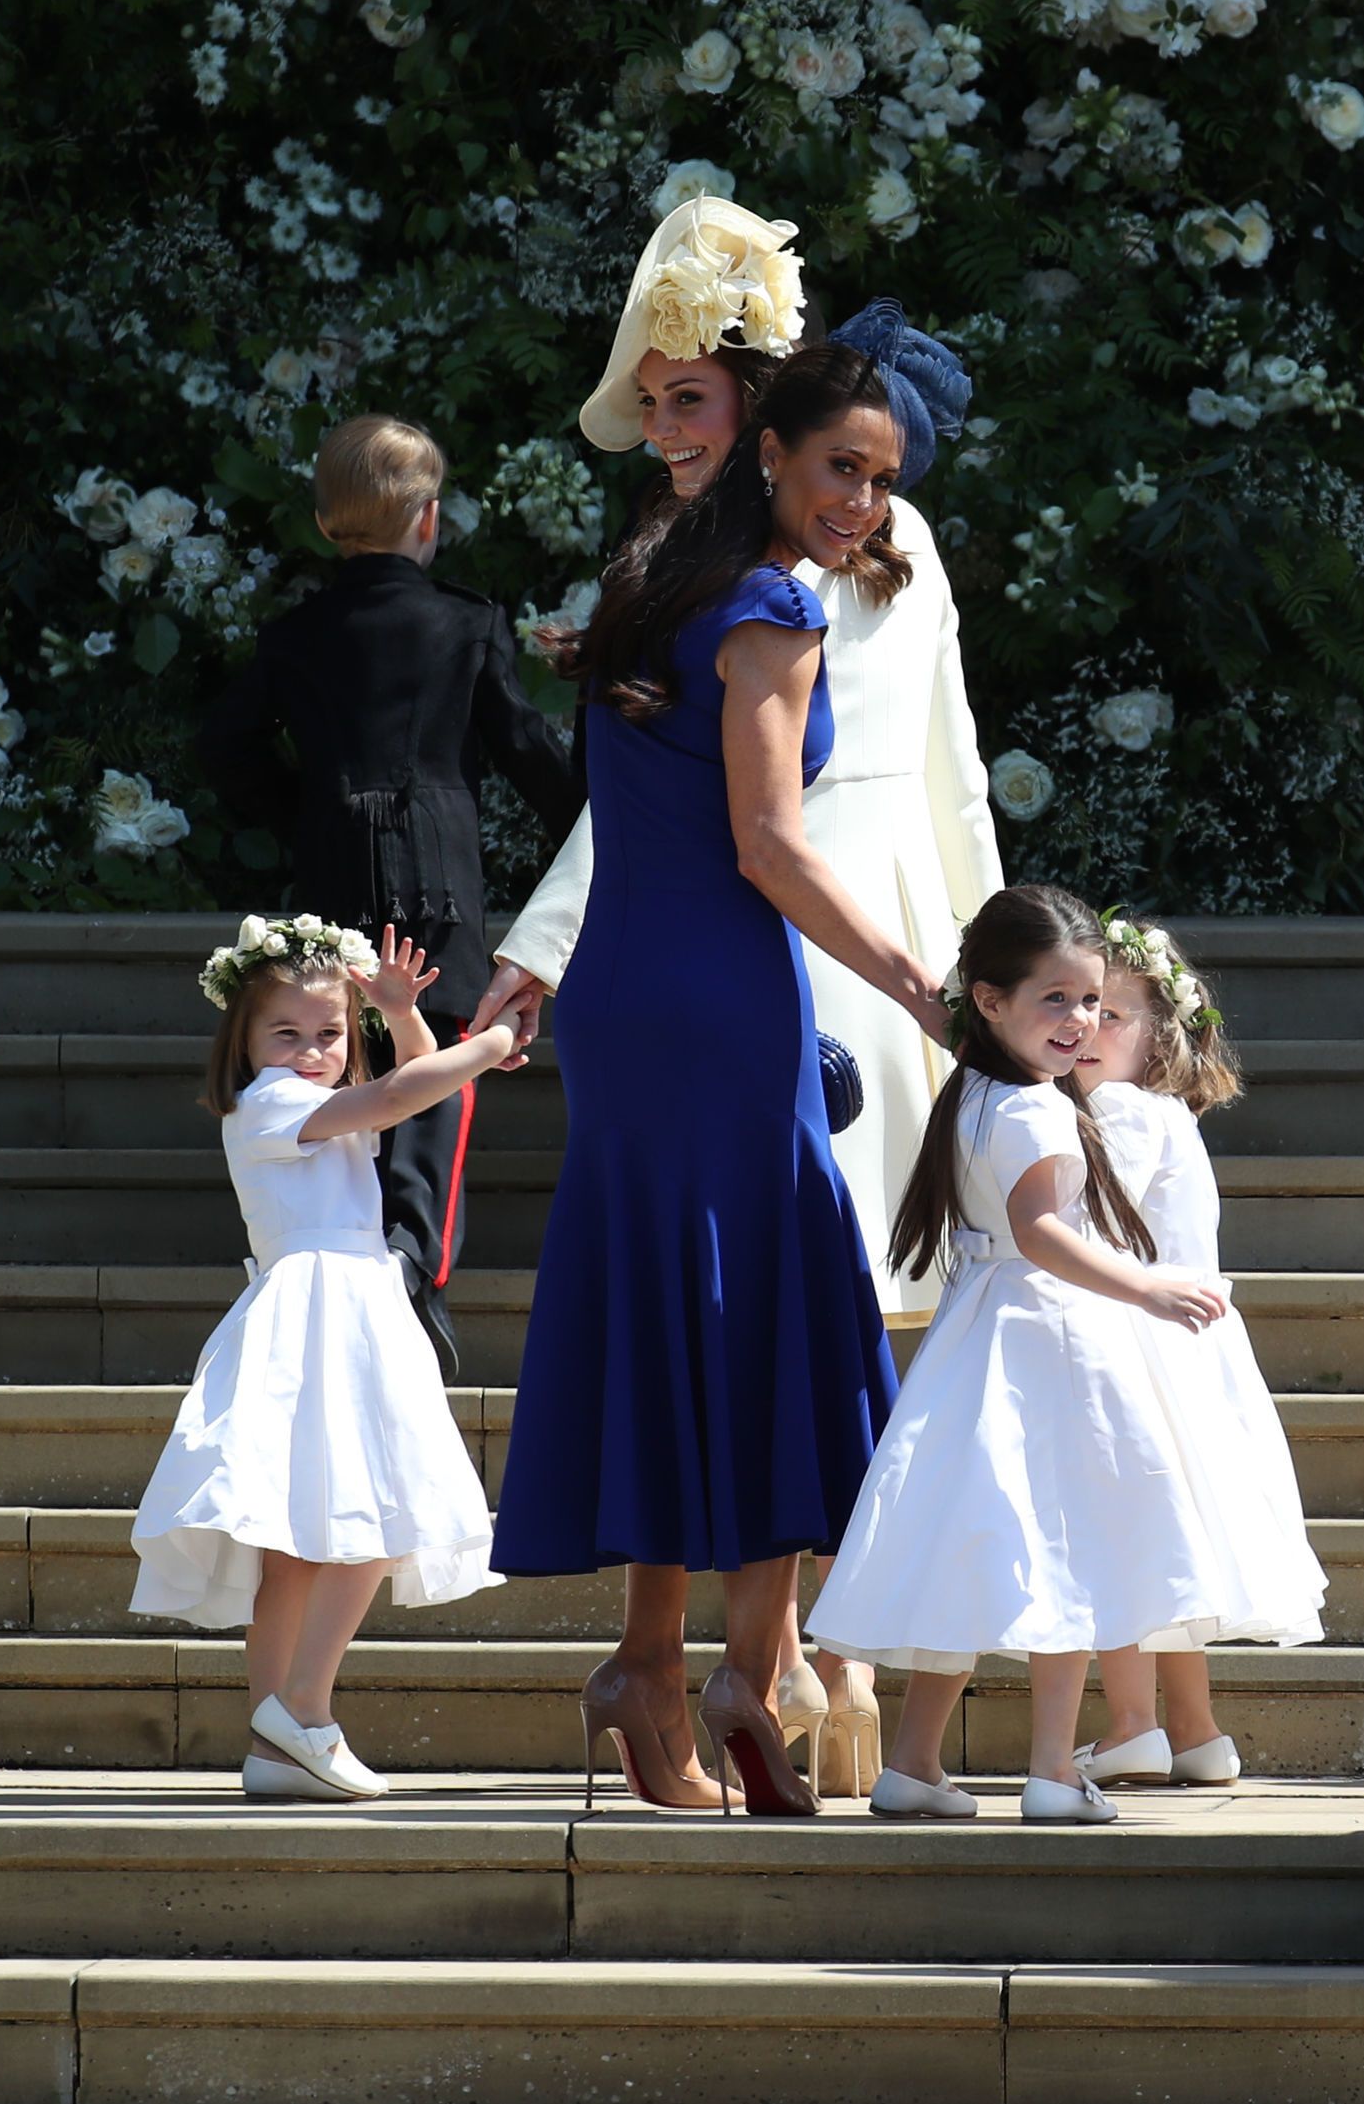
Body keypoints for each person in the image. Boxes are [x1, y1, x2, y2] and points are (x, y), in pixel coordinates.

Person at [484, 221, 1005, 1797]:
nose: (864, 503)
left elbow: (657, 804)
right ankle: (739, 1672)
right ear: (780, 451)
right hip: (735, 973)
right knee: (774, 1303)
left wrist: (552, 947)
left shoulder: (648, 573)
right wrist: (931, 984)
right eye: (841, 470)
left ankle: (666, 1667)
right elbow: (770, 839)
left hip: (639, 990)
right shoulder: (771, 601)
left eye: (879, 477)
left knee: (674, 1304)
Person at [809, 888, 1241, 1823]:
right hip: (1053, 1337)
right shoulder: (1038, 1110)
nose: (1081, 1022)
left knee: (973, 1547)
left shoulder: (973, 1088)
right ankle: (1052, 1768)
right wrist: (1149, 1286)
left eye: (1092, 1001)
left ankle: (915, 1762)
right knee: (1069, 1550)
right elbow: (1040, 1230)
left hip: (979, 1338)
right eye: (1057, 999)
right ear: (990, 999)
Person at [196, 415, 582, 1375]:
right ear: (428, 517)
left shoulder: (295, 633)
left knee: (346, 1053)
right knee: (436, 1067)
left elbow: (223, 748)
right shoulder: (466, 619)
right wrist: (597, 817)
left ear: (330, 523)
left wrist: (300, 810)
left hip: (332, 874)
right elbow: (528, 749)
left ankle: (371, 1251)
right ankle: (414, 1259)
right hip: (439, 873)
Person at [131, 916, 527, 1800]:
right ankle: (304, 1705)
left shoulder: (320, 1104)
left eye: (330, 1034)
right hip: (323, 1308)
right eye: (288, 1032)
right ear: (247, 1040)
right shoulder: (270, 1103)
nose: (311, 1050)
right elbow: (396, 1098)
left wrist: (399, 1013)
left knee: (302, 1551)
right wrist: (491, 1040)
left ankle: (276, 1746)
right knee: (374, 1514)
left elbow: (411, 1089)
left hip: (345, 1304)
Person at [1070, 914, 1328, 1789]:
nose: (1088, 1027)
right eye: (1081, 1006)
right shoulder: (1164, 1113)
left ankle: (1134, 1721)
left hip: (1139, 1347)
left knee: (1125, 1537)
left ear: (1158, 1038)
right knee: (1169, 1546)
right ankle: (1196, 1729)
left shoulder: (1119, 1110)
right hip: (1187, 1352)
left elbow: (1088, 1226)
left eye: (1114, 1015)